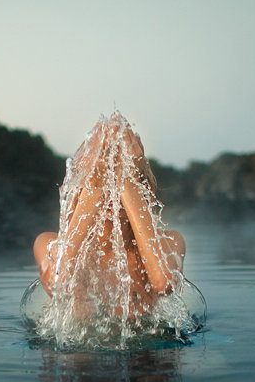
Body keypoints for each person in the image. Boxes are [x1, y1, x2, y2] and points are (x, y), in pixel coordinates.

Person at [33, 118, 185, 319]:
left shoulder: (169, 241)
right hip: (76, 351)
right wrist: (96, 181)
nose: (111, 196)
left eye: (117, 187)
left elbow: (163, 282)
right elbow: (58, 282)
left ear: (142, 193)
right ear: (80, 191)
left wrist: (126, 177)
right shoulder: (49, 243)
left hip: (149, 350)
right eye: (104, 186)